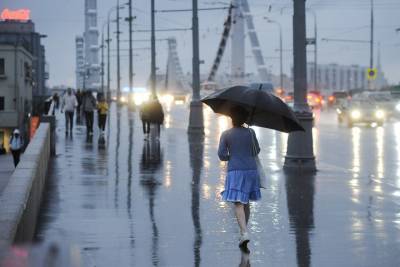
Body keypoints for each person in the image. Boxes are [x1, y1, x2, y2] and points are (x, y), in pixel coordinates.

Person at [217, 106, 261, 249]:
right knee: (245, 201)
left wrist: (232, 156)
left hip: (236, 171)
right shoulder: (251, 132)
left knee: (238, 203)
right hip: (251, 170)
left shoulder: (226, 134)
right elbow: (257, 150)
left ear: (232, 119)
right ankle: (244, 232)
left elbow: (222, 155)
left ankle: (244, 232)